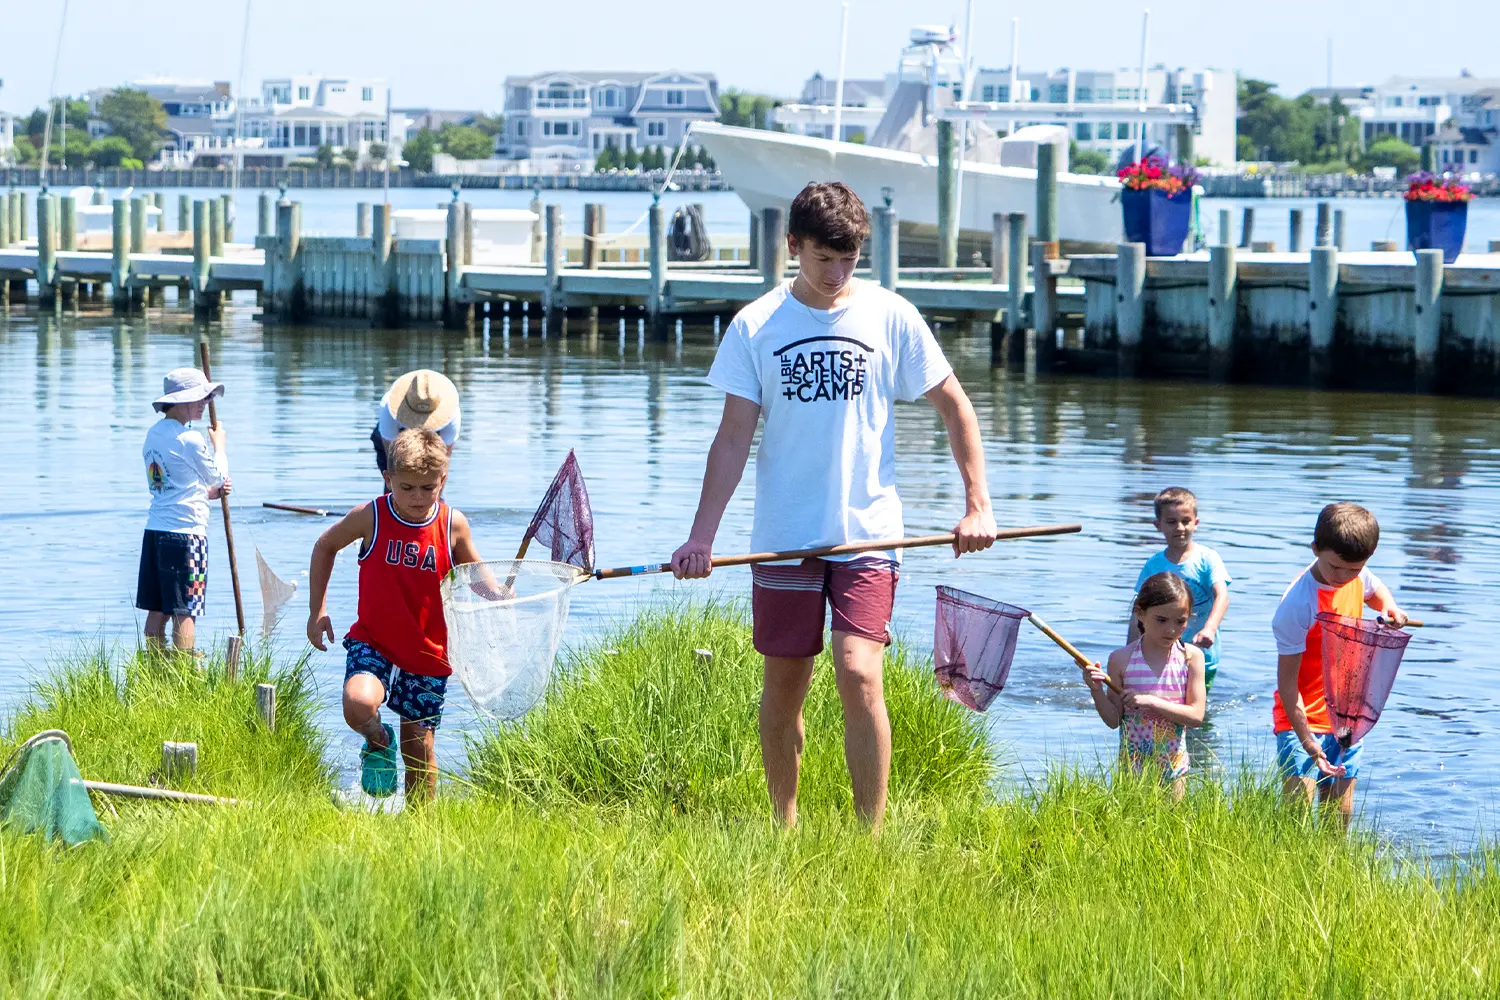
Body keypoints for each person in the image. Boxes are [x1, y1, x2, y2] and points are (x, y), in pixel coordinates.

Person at [669, 181, 999, 830]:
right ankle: (784, 828)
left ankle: (867, 839)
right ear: (793, 246)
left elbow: (955, 407)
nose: (838, 273)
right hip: (785, 536)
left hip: (869, 534)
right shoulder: (756, 326)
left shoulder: (890, 315)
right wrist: (700, 537)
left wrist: (977, 506)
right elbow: (732, 438)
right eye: (824, 258)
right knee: (784, 691)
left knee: (859, 673)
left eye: (849, 259)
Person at [305, 429, 483, 802]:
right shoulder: (371, 516)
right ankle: (377, 739)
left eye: (427, 487)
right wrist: (317, 610)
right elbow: (325, 546)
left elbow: (479, 576)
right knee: (358, 704)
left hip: (428, 654)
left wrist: (501, 595)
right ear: (388, 480)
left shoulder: (453, 526)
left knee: (418, 750)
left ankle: (419, 829)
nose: (417, 497)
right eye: (406, 488)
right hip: (374, 641)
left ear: (442, 480)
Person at [1271, 502, 1406, 827]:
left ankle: (1332, 872)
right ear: (1315, 549)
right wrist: (1307, 742)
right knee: (1296, 817)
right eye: (1335, 568)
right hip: (1300, 719)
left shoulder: (1358, 575)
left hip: (1346, 717)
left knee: (1338, 817)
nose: (1344, 578)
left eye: (1354, 569)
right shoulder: (1297, 604)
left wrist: (1390, 608)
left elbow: (1376, 591)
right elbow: (1287, 685)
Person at [1085, 572, 1207, 800]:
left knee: (1171, 830)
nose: (1171, 630)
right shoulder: (1121, 659)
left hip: (1174, 769)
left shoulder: (1191, 658)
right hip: (1132, 770)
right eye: (1161, 620)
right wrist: (1096, 691)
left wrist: (1151, 701)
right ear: (1140, 613)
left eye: (1180, 621)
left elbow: (1196, 716)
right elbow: (1113, 720)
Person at [137, 368, 232, 657]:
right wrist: (220, 446)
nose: (204, 402)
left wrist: (206, 494)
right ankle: (184, 678)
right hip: (186, 536)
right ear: (179, 402)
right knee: (185, 610)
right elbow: (218, 476)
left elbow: (167, 483)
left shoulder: (153, 435)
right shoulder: (189, 439)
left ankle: (153, 671)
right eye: (199, 398)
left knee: (158, 610)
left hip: (156, 531)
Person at [1130, 486, 1231, 690]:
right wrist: (1131, 651)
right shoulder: (1153, 565)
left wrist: (1209, 628)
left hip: (1202, 654)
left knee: (1192, 709)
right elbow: (1138, 611)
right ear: (1158, 525)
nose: (1180, 527)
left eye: (1185, 521)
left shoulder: (1207, 559)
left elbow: (1222, 596)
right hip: (1161, 652)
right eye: (1171, 522)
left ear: (1196, 522)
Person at [370, 369, 461, 475]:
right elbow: (391, 461)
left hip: (435, 438)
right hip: (393, 438)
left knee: (431, 478)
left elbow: (443, 466)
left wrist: (435, 489)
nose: (421, 424)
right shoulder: (387, 408)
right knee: (395, 480)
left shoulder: (451, 414)